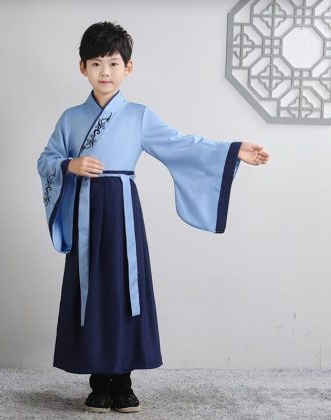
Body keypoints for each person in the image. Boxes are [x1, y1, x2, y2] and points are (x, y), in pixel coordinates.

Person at [36, 21, 270, 414]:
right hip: (85, 213)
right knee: (91, 291)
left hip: (123, 212)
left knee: (125, 290)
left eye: (113, 63)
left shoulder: (139, 116)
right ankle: (98, 381)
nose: (105, 72)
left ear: (128, 67)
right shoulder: (70, 118)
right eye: (96, 64)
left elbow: (181, 145)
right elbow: (47, 160)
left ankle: (123, 381)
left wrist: (233, 150)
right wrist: (69, 165)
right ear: (83, 68)